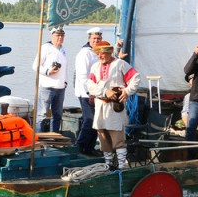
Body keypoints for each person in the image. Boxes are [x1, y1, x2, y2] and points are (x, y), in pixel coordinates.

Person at [87, 39, 142, 170]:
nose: (100, 56)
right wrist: (105, 91)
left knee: (117, 135)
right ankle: (108, 164)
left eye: (103, 53)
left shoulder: (120, 64)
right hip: (101, 104)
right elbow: (90, 85)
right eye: (98, 53)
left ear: (109, 52)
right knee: (103, 135)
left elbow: (136, 77)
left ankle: (122, 166)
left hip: (114, 106)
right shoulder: (95, 66)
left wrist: (127, 91)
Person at [73, 27, 103, 156]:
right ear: (89, 39)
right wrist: (89, 92)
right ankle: (80, 146)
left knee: (97, 120)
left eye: (98, 38)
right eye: (94, 38)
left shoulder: (97, 52)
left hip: (96, 92)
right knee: (89, 119)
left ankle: (89, 147)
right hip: (85, 93)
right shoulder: (84, 53)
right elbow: (82, 75)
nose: (96, 41)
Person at [32, 27, 68, 133]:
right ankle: (39, 138)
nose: (60, 38)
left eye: (62, 35)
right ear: (52, 36)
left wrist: (65, 82)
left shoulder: (63, 49)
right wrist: (48, 71)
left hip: (60, 87)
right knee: (42, 114)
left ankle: (53, 138)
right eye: (57, 35)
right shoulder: (45, 48)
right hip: (47, 87)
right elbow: (35, 66)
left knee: (57, 114)